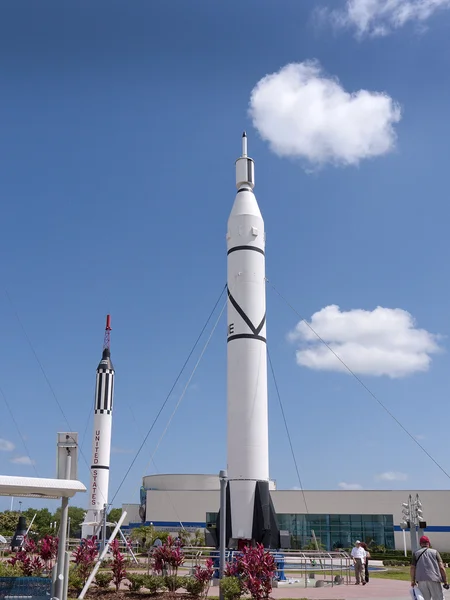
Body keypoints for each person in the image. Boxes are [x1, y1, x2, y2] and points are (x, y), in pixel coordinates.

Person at [411, 535, 449, 600]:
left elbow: (412, 568)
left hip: (421, 580)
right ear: (428, 543)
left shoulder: (416, 554)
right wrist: (445, 581)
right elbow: (441, 567)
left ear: (420, 544)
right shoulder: (435, 552)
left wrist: (413, 580)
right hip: (434, 579)